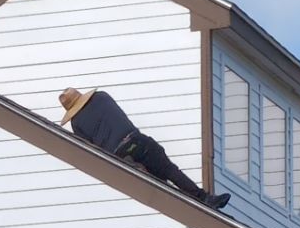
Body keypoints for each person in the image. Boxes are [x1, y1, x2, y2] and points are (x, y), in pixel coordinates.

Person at [58, 88, 231, 210]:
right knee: (169, 170)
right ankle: (204, 199)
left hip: (118, 155)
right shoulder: (102, 96)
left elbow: (90, 147)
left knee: (157, 185)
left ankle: (177, 201)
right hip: (136, 139)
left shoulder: (76, 122)